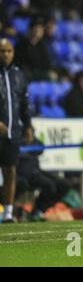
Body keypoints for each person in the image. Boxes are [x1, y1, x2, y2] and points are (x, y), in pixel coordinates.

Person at [0, 38, 33, 223]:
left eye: (8, 51)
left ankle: (7, 214)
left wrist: (28, 126)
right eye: (2, 51)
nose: (5, 54)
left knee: (10, 171)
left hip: (13, 134)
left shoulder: (19, 75)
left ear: (13, 52)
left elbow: (25, 105)